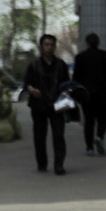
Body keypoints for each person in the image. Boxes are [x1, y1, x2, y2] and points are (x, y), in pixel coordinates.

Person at [24, 34, 70, 175]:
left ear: (55, 46)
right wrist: (31, 89)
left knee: (58, 135)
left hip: (57, 105)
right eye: (46, 44)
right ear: (41, 46)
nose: (49, 47)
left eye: (51, 45)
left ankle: (59, 165)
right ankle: (42, 163)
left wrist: (66, 96)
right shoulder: (34, 64)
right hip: (39, 105)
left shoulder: (61, 65)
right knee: (39, 135)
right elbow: (27, 83)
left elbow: (66, 84)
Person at [73, 32, 106, 156]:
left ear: (87, 43)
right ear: (98, 43)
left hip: (87, 94)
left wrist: (75, 94)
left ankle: (89, 148)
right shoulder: (104, 55)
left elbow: (75, 78)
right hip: (103, 93)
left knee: (89, 121)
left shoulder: (80, 57)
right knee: (103, 119)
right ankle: (99, 137)